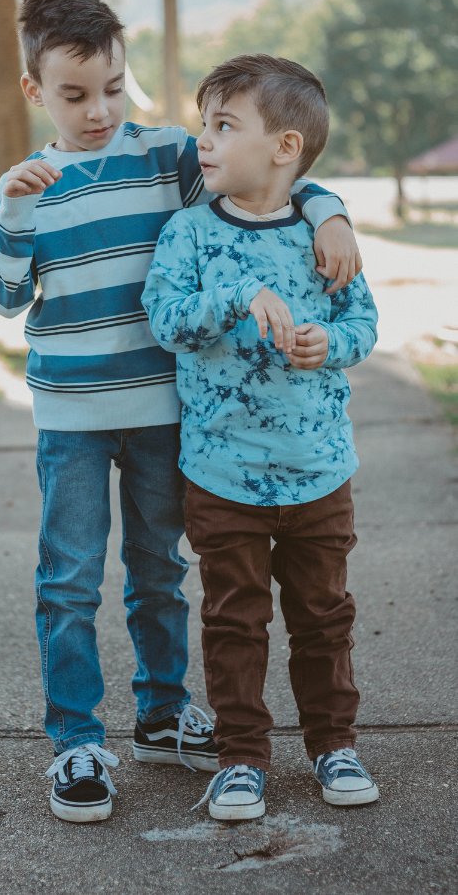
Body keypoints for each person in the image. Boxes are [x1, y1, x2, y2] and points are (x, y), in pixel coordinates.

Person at [0, 0, 361, 823]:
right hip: (73, 418)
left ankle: (162, 714)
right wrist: (9, 214)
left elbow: (265, 181)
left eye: (114, 87)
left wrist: (331, 211)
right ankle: (77, 740)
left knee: (160, 572)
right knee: (71, 579)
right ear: (34, 90)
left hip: (163, 414)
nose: (99, 110)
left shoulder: (168, 157)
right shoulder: (26, 186)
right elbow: (4, 297)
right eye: (75, 95)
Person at [142, 54, 379, 821]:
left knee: (323, 618)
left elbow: (361, 324)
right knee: (234, 622)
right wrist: (239, 292)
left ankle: (333, 746)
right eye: (203, 123)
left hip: (318, 473)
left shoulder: (326, 239)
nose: (201, 141)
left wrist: (329, 345)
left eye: (222, 125)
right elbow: (168, 319)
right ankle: (241, 759)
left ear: (284, 148)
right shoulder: (189, 233)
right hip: (222, 474)